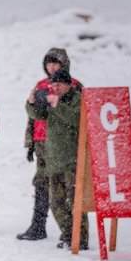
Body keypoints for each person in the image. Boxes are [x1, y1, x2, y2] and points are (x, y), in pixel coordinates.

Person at [18, 48, 82, 241]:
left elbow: (79, 115)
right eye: (48, 63)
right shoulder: (41, 85)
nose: (51, 67)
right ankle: (38, 225)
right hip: (41, 141)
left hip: (64, 144)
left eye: (56, 63)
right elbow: (33, 117)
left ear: (64, 65)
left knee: (66, 188)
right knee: (41, 183)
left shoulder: (74, 86)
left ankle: (75, 232)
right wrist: (30, 142)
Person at [26, 68, 88, 250]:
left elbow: (77, 119)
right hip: (54, 161)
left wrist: (57, 105)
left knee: (75, 201)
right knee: (56, 203)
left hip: (72, 161)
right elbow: (37, 115)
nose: (55, 88)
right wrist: (30, 104)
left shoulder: (77, 99)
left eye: (59, 84)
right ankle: (68, 235)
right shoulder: (54, 100)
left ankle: (80, 239)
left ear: (68, 84)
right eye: (53, 85)